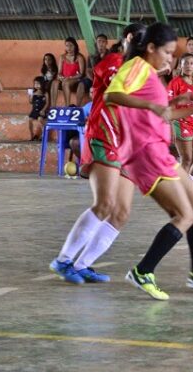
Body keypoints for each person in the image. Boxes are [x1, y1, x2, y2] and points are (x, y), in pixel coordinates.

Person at [105, 22, 193, 301]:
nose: (170, 58)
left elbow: (163, 115)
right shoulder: (136, 67)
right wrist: (151, 104)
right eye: (166, 52)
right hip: (145, 153)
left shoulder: (150, 74)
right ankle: (143, 271)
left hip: (159, 150)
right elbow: (111, 95)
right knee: (184, 215)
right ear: (150, 48)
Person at [49, 25, 142, 285]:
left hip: (127, 144)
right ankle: (64, 259)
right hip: (105, 134)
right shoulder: (114, 62)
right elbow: (118, 95)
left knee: (121, 212)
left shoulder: (143, 70)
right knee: (104, 204)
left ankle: (82, 264)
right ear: (132, 39)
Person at [55, 37, 86, 107]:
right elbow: (59, 72)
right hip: (65, 79)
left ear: (75, 46)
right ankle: (52, 106)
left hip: (76, 79)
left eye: (71, 45)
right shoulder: (62, 57)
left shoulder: (79, 57)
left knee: (66, 83)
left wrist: (70, 77)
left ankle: (67, 105)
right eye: (67, 46)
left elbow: (81, 74)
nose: (69, 48)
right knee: (54, 83)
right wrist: (60, 76)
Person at [28, 76, 49, 141]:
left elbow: (47, 103)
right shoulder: (34, 93)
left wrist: (43, 110)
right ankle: (32, 135)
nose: (36, 85)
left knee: (40, 119)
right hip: (34, 110)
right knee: (30, 120)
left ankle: (44, 134)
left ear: (42, 84)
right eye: (35, 84)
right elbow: (31, 102)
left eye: (38, 84)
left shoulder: (45, 93)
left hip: (41, 110)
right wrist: (30, 96)